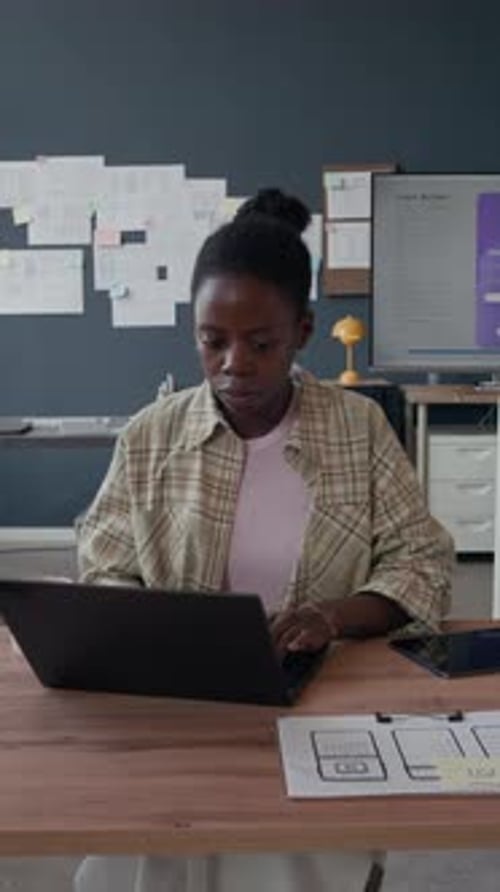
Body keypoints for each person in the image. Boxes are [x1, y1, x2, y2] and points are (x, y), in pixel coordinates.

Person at [74, 188, 454, 892]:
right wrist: (140, 622)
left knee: (293, 860)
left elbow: (423, 561)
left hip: (318, 702)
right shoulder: (151, 435)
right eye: (212, 342)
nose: (233, 366)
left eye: (261, 344)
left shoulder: (357, 428)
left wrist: (332, 617)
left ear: (304, 331)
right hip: (181, 706)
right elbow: (106, 560)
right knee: (154, 852)